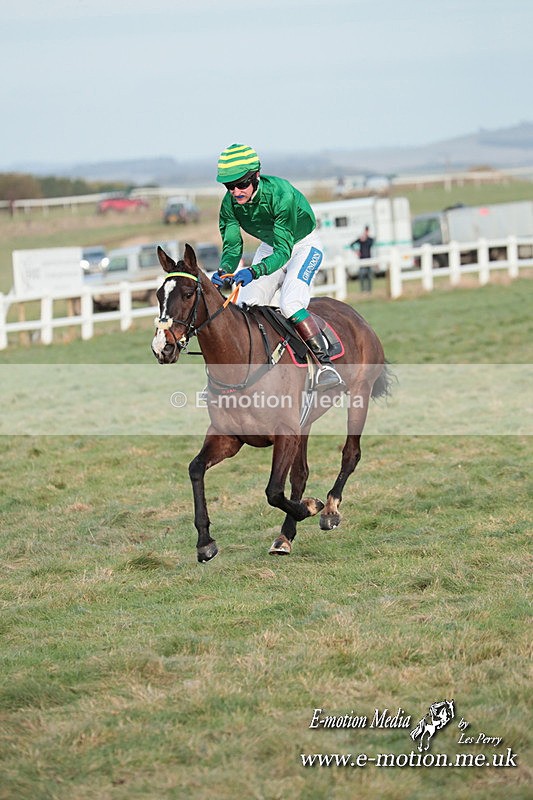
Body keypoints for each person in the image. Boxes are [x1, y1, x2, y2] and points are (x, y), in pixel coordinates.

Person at [211, 143, 342, 391]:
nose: (236, 192)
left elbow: (284, 251)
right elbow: (231, 245)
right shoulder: (229, 204)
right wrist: (224, 270)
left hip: (302, 246)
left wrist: (254, 271)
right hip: (270, 246)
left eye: (242, 184)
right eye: (230, 187)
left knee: (290, 303)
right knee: (243, 307)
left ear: (256, 176)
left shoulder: (281, 195)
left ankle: (325, 364)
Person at [351, 226, 374, 292]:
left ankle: (369, 290)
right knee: (362, 276)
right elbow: (351, 244)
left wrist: (365, 239)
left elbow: (372, 242)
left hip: (369, 260)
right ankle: (363, 290)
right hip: (362, 260)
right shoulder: (360, 240)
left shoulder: (369, 239)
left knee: (369, 276)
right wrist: (356, 251)